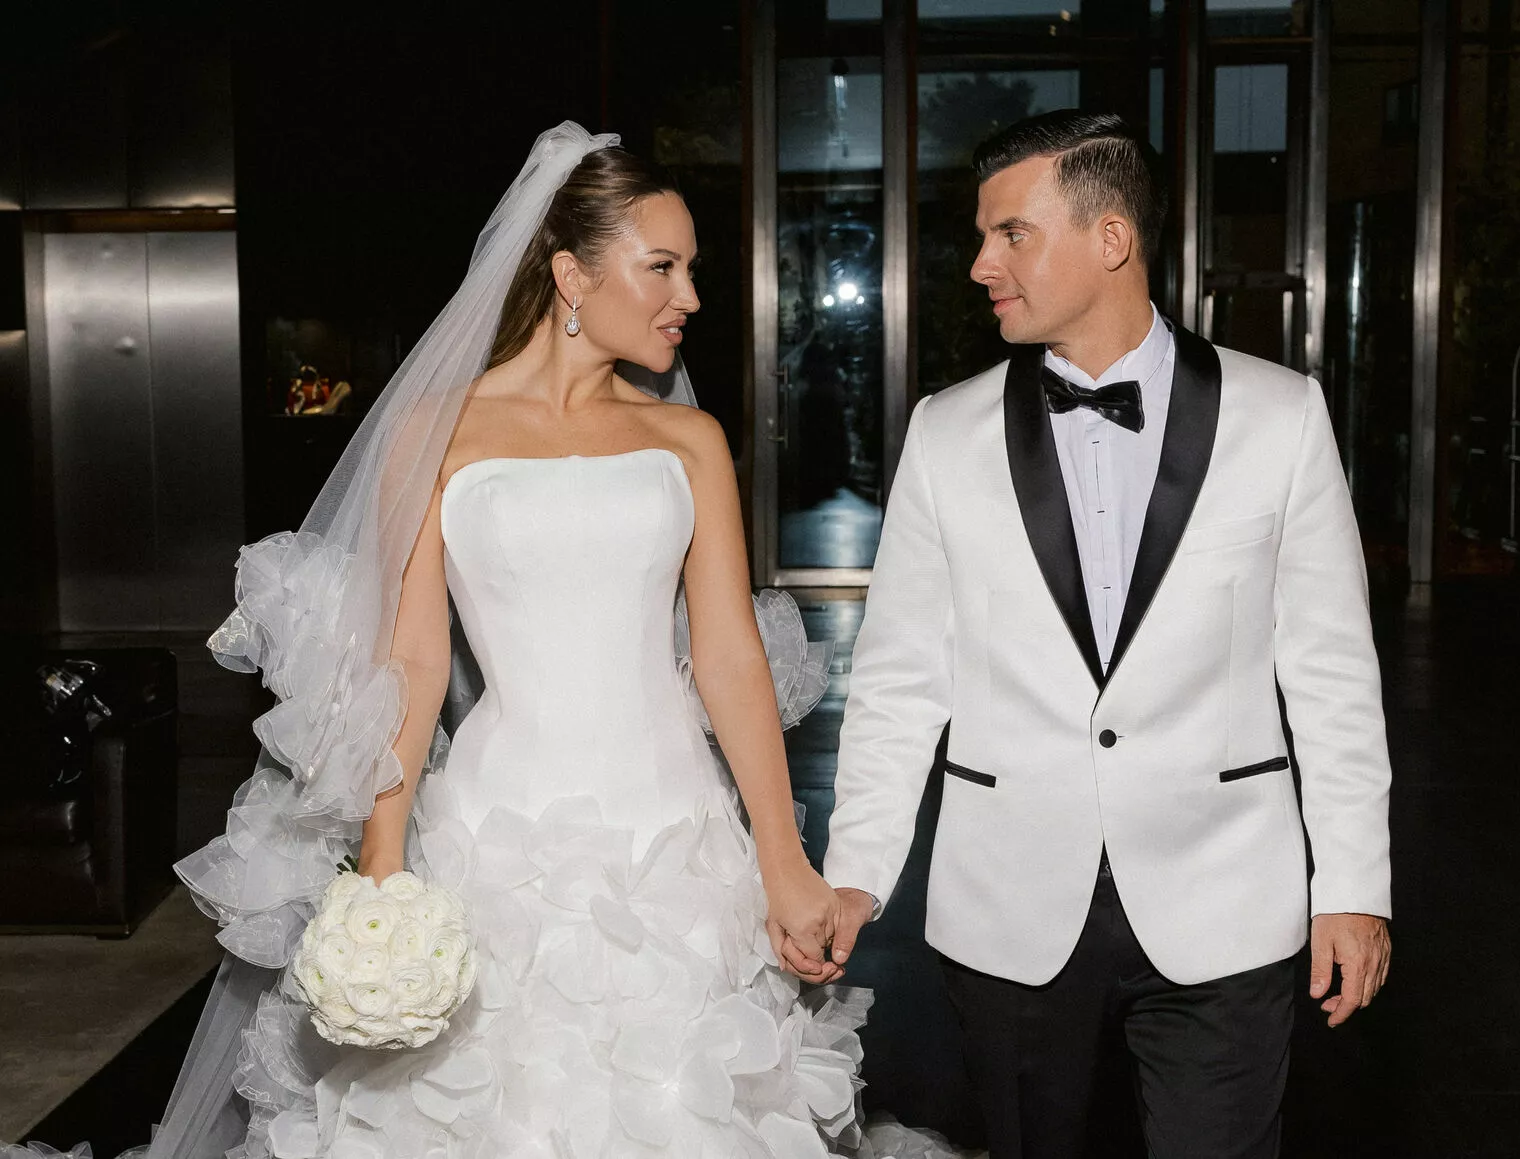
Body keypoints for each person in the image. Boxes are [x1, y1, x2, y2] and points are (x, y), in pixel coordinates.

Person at [3, 124, 960, 1159]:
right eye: (663, 267)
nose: (688, 295)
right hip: (497, 836)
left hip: (677, 841)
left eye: (692, 270)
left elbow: (729, 658)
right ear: (571, 275)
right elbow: (413, 663)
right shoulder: (436, 431)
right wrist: (381, 868)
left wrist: (783, 858)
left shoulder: (688, 441)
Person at [818, 110, 1394, 1158]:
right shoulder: (945, 433)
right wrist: (856, 868)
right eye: (982, 237)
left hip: (1227, 896)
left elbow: (1332, 674)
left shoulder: (1282, 415)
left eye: (1012, 234)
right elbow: (901, 675)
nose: (982, 264)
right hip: (1007, 904)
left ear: (1111, 238)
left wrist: (1353, 886)